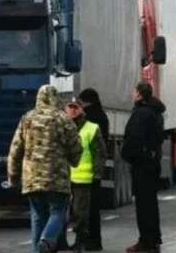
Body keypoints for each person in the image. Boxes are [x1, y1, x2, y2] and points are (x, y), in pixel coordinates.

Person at [8, 85, 82, 253]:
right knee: (58, 212)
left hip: (32, 178)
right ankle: (47, 240)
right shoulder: (63, 119)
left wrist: (13, 176)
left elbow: (16, 149)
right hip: (57, 178)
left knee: (37, 216)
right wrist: (74, 161)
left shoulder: (27, 118)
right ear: (56, 99)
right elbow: (75, 147)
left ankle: (38, 249)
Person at [122, 83, 165, 253]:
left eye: (134, 92)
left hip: (142, 164)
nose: (133, 95)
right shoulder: (156, 112)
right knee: (151, 204)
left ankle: (146, 241)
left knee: (144, 206)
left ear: (139, 95)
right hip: (153, 162)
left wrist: (127, 155)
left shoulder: (141, 114)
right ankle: (154, 239)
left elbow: (134, 138)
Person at [65, 99, 107, 253]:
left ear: (82, 110)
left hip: (84, 178)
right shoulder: (62, 128)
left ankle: (80, 241)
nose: (73, 110)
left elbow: (100, 153)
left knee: (80, 213)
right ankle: (64, 242)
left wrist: (96, 174)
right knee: (68, 212)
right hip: (64, 179)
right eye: (70, 107)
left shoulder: (91, 128)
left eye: (76, 107)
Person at [77, 88, 109, 251]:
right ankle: (94, 240)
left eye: (80, 103)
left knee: (84, 210)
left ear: (86, 102)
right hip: (94, 170)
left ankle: (88, 240)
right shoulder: (102, 116)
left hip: (84, 171)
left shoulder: (88, 119)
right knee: (93, 208)